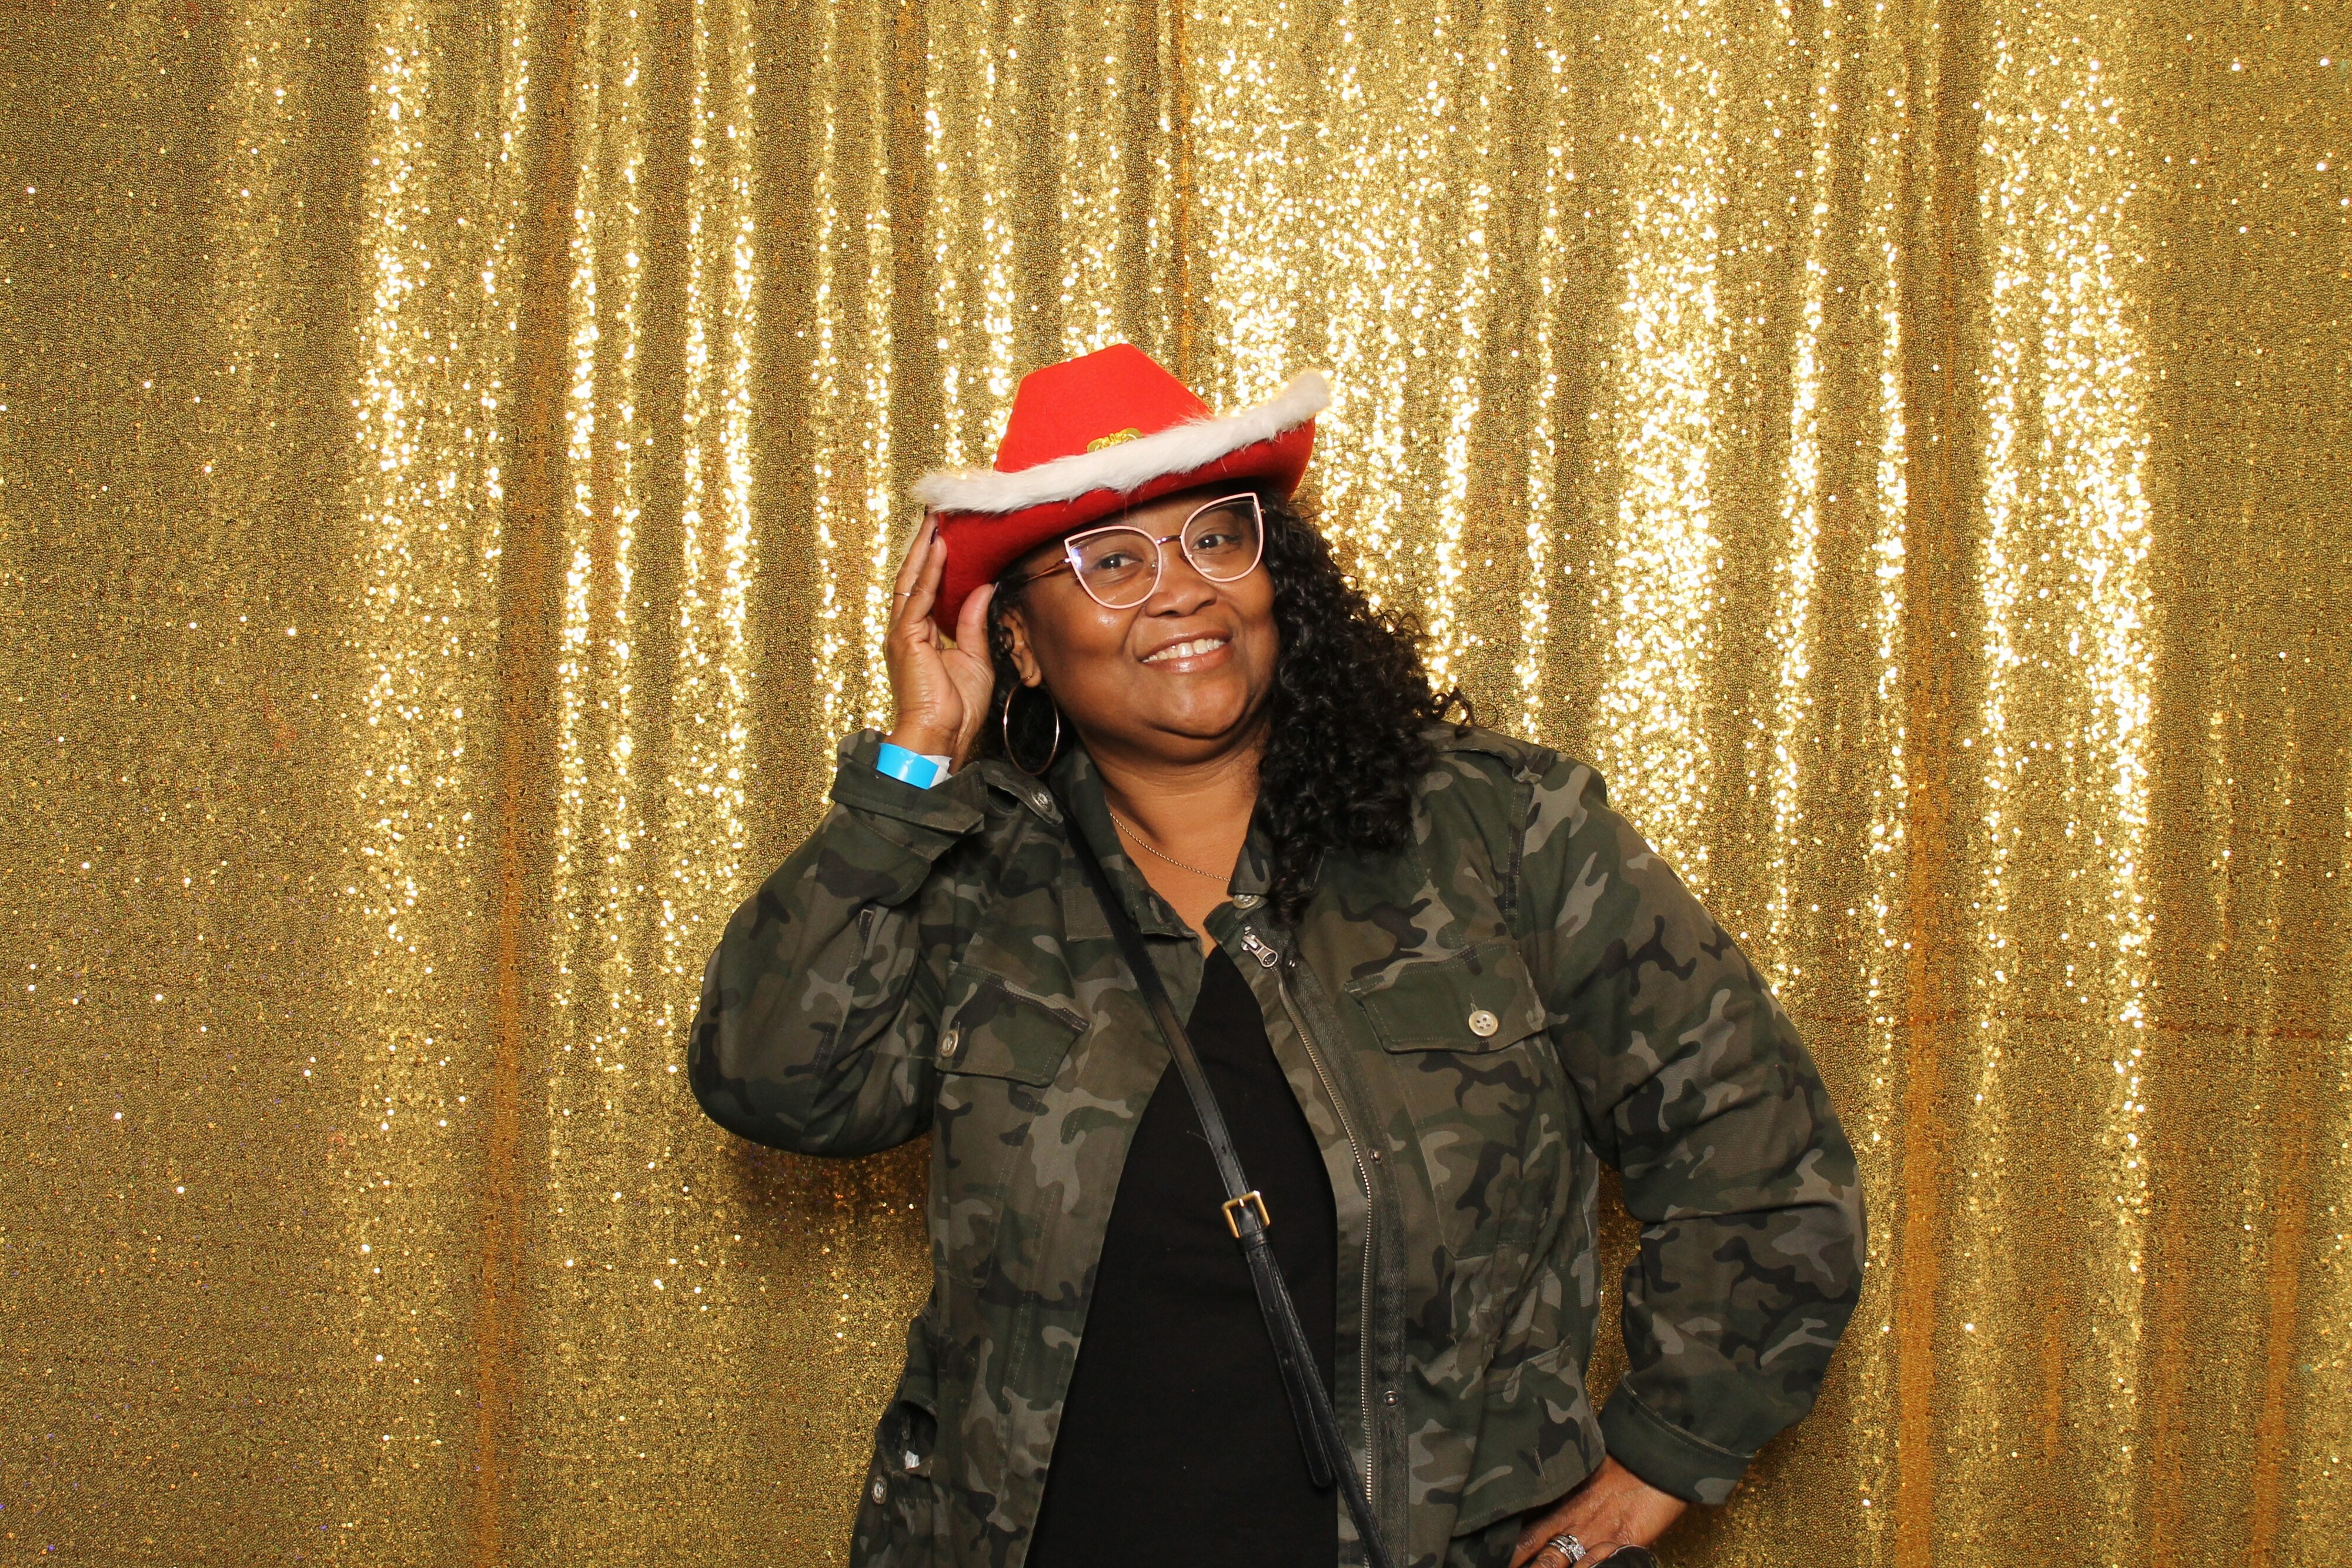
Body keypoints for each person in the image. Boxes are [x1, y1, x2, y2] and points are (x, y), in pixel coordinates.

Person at [686, 343, 1866, 1568]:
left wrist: (1668, 1449)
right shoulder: (975, 872)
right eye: (1113, 561)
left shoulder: (1500, 830)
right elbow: (775, 1081)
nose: (1183, 590)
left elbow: (1755, 1144)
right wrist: (912, 766)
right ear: (1020, 642)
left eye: (1217, 539)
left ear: (1276, 580)